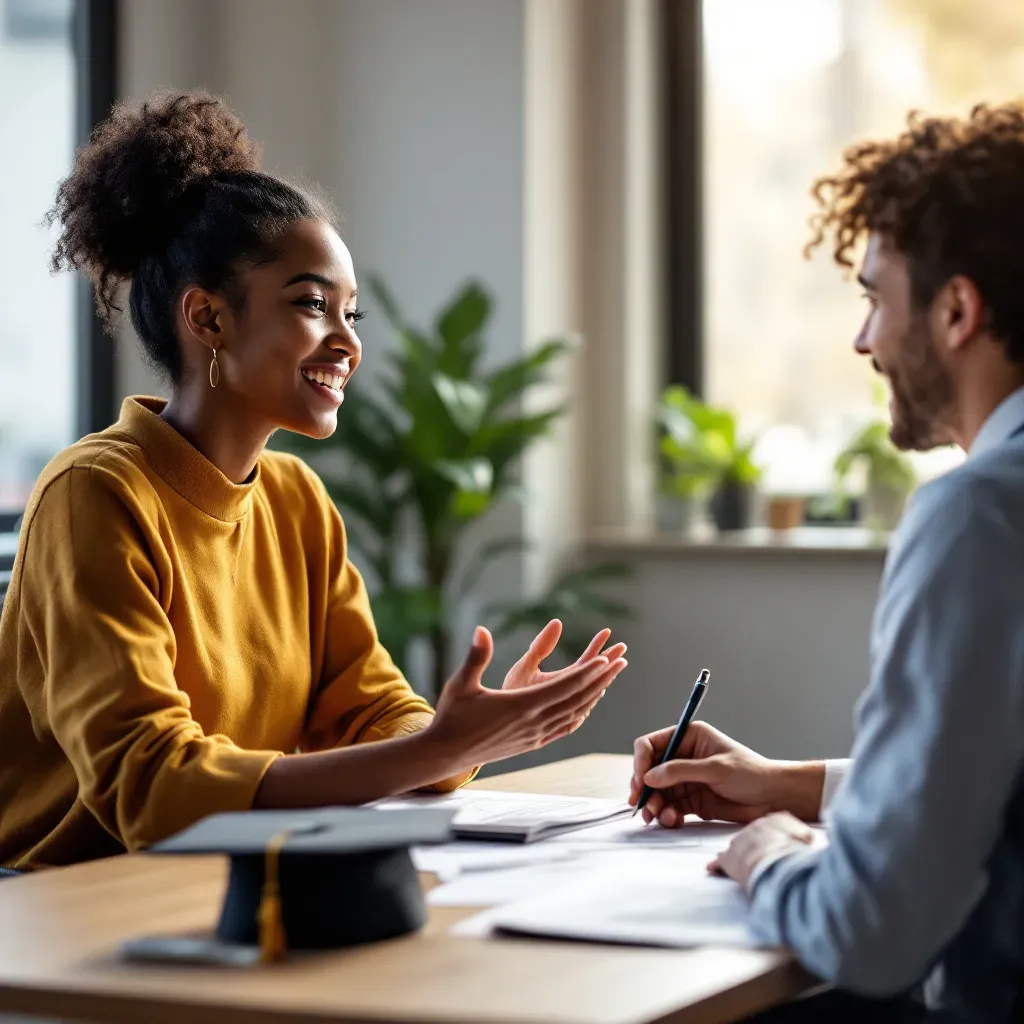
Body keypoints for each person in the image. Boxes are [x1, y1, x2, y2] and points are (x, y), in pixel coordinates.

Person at [0, 92, 627, 872]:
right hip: (61, 911)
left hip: (216, 883)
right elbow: (151, 791)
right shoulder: (95, 494)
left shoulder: (295, 501)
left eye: (352, 315)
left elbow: (370, 711)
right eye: (311, 305)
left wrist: (461, 735)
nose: (346, 342)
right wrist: (436, 748)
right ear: (209, 320)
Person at [631, 101, 1024, 1024]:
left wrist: (768, 849)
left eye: (873, 298)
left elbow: (870, 931)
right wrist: (787, 787)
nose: (863, 342)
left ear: (956, 310)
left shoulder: (980, 516)